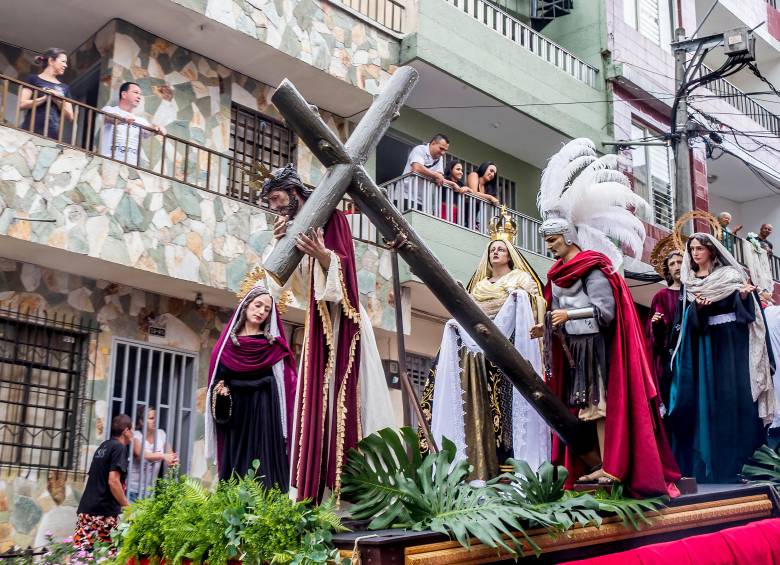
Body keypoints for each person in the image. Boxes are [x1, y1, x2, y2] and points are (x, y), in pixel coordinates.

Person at [531, 138, 680, 497]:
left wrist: (569, 312)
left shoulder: (593, 268)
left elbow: (605, 312)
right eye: (547, 241)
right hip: (574, 349)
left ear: (568, 235)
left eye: (553, 240)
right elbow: (556, 309)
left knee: (600, 408)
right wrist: (547, 323)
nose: (549, 246)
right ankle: (596, 463)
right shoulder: (557, 273)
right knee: (584, 408)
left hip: (596, 347)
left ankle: (612, 468)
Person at [261, 164, 396, 502]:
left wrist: (324, 256)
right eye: (270, 203)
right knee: (315, 400)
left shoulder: (332, 218)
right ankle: (315, 492)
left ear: (293, 192)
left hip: (343, 321)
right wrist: (278, 244)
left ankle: (356, 488)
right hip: (318, 324)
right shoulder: (292, 230)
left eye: (277, 198)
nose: (275, 207)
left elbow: (345, 269)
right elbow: (282, 285)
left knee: (350, 395)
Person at [423, 210, 550, 478]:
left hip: (509, 346)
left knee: (507, 408)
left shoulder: (521, 280)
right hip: (478, 353)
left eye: (501, 249)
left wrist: (520, 300)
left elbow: (537, 305)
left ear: (510, 254)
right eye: (492, 249)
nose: (496, 253)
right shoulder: (478, 285)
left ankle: (513, 461)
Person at [669, 233, 774, 483]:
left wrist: (745, 297)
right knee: (708, 402)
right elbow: (684, 322)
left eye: (700, 248)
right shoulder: (689, 283)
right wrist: (699, 309)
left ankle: (740, 463)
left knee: (733, 398)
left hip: (731, 346)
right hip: (705, 347)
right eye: (692, 249)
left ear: (712, 251)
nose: (695, 253)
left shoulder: (730, 276)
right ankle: (710, 465)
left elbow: (747, 314)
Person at [205, 284, 297, 489]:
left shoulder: (273, 346)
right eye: (258, 305)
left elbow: (286, 381)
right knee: (236, 463)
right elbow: (217, 380)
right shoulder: (226, 346)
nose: (261, 312)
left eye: (267, 310)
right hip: (236, 414)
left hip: (264, 411)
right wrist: (221, 389)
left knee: (263, 462)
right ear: (246, 306)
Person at [73, 414, 132, 553]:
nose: (132, 434)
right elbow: (113, 481)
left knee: (82, 556)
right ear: (125, 431)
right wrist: (126, 505)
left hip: (87, 510)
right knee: (108, 557)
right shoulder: (119, 448)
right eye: (131, 430)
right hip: (103, 514)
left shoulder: (103, 446)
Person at [646, 251, 683, 409]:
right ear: (668, 270)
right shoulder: (661, 296)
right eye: (672, 264)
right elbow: (653, 334)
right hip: (670, 358)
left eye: (680, 262)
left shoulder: (695, 292)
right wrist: (656, 324)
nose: (677, 266)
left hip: (693, 353)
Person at [101, 82, 166, 163]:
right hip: (109, 160)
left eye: (140, 94)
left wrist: (157, 128)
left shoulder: (140, 120)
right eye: (135, 93)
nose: (139, 97)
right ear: (124, 94)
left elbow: (149, 129)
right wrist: (123, 119)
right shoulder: (109, 110)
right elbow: (109, 117)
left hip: (131, 165)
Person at [19, 48, 74, 140]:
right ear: (51, 61)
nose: (66, 65)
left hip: (52, 134)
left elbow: (70, 116)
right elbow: (21, 104)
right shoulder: (33, 79)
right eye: (63, 61)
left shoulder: (64, 87)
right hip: (30, 129)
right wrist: (45, 97)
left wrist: (56, 100)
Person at [127, 405, 177, 501]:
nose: (154, 421)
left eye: (155, 418)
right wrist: (163, 456)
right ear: (141, 422)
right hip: (133, 491)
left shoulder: (161, 434)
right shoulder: (136, 436)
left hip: (150, 491)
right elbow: (142, 454)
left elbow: (170, 455)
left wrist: (173, 460)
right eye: (151, 418)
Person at [402, 134, 459, 209]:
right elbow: (416, 168)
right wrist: (435, 175)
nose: (442, 153)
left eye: (445, 150)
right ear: (433, 143)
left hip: (422, 201)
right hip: (405, 195)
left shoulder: (439, 159)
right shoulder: (420, 149)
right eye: (441, 148)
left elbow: (439, 178)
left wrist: (452, 183)